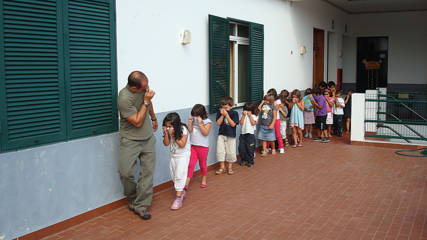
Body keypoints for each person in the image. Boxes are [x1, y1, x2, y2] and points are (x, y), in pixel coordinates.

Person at [117, 70, 158, 220]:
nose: (147, 90)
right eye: (143, 88)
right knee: (125, 172)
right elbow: (137, 121)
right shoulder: (124, 98)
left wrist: (153, 118)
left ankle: (141, 206)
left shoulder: (143, 90)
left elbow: (149, 103)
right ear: (134, 87)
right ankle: (133, 198)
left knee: (147, 173)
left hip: (147, 138)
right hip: (130, 140)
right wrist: (145, 101)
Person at [162, 112, 191, 210]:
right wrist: (166, 134)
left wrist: (173, 135)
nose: (168, 127)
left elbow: (182, 144)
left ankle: (178, 199)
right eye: (166, 126)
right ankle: (181, 191)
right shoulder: (169, 130)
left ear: (176, 125)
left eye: (170, 126)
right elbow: (166, 144)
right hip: (174, 156)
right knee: (174, 176)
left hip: (183, 156)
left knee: (179, 175)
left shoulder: (183, 129)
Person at [186, 104, 212, 189]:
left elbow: (206, 133)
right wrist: (190, 123)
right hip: (193, 146)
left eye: (196, 116)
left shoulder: (207, 122)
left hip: (203, 147)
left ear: (201, 114)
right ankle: (186, 183)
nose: (194, 117)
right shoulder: (194, 120)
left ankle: (204, 178)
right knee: (190, 164)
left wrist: (200, 124)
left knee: (202, 164)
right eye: (193, 115)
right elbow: (190, 131)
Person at [215, 97, 239, 175]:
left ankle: (230, 167)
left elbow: (232, 124)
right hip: (221, 134)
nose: (224, 109)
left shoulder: (234, 113)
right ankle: (222, 167)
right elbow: (218, 123)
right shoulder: (219, 113)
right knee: (220, 151)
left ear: (231, 106)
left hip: (231, 135)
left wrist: (227, 115)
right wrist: (222, 115)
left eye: (226, 107)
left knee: (231, 151)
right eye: (222, 107)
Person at [238, 102, 258, 167]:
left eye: (248, 110)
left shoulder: (254, 116)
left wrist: (250, 116)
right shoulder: (242, 115)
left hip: (250, 135)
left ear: (252, 110)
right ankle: (243, 159)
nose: (247, 111)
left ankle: (250, 161)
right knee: (241, 148)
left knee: (250, 148)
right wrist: (243, 115)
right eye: (246, 109)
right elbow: (240, 123)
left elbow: (253, 123)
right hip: (242, 134)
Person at [267, 88, 285, 153]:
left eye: (270, 95)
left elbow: (276, 108)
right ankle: (267, 147)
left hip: (276, 119)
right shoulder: (268, 101)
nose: (269, 96)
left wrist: (271, 104)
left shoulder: (278, 101)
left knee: (277, 133)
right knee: (268, 133)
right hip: (269, 120)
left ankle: (281, 147)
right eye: (268, 95)